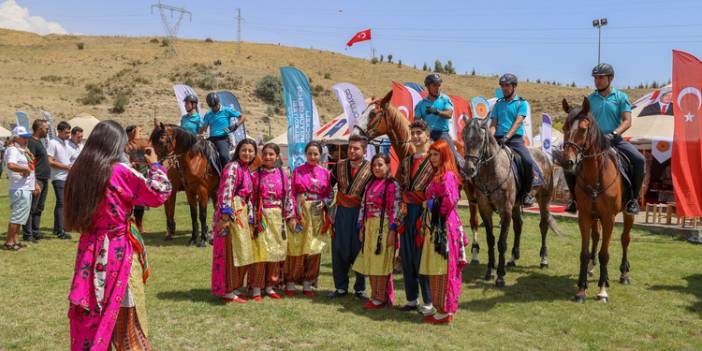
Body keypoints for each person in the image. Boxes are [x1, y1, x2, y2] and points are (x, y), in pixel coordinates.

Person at [66, 120, 171, 351]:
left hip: (89, 250)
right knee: (126, 313)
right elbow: (158, 193)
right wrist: (155, 166)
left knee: (92, 308)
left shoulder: (78, 171)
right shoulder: (118, 171)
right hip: (116, 249)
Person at [565, 63, 645, 215]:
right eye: (595, 77)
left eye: (601, 77)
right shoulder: (589, 99)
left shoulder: (621, 97)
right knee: (568, 164)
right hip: (593, 142)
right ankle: (574, 199)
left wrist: (614, 134)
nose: (597, 80)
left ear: (610, 78)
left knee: (639, 160)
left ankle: (633, 200)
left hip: (615, 140)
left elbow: (627, 121)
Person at [419, 140, 468, 324]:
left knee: (444, 269)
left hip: (444, 228)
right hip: (437, 226)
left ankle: (445, 311)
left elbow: (450, 200)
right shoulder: (438, 174)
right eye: (431, 155)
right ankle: (441, 309)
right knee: (437, 268)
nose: (432, 158)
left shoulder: (447, 175)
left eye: (436, 155)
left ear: (444, 155)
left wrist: (431, 204)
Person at [211, 139, 257, 304]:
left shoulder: (245, 169)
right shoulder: (233, 167)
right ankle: (227, 289)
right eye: (244, 150)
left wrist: (250, 218)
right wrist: (225, 217)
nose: (247, 153)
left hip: (241, 213)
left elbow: (248, 196)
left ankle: (234, 286)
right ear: (238, 151)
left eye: (251, 151)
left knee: (239, 251)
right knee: (229, 252)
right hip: (230, 214)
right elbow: (226, 190)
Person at [352, 154, 401, 309]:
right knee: (372, 260)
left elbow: (396, 208)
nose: (377, 168)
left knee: (382, 261)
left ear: (388, 166)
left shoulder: (392, 185)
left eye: (380, 165)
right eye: (374, 166)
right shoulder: (369, 184)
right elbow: (363, 206)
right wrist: (361, 226)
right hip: (370, 227)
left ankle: (381, 297)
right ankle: (376, 295)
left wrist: (393, 230)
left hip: (384, 227)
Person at [396, 120, 434, 314]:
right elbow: (400, 186)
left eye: (420, 132)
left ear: (427, 135)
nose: (416, 136)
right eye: (414, 133)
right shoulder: (406, 161)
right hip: (407, 212)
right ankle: (412, 299)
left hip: (425, 213)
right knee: (407, 256)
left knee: (423, 257)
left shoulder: (434, 159)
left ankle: (428, 301)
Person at [249, 143, 296, 301]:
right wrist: (251, 219)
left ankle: (270, 286)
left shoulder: (283, 175)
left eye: (271, 154)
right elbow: (250, 198)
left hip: (278, 218)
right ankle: (256, 288)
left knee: (275, 252)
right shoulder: (255, 175)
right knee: (260, 252)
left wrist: (290, 217)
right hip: (260, 217)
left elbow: (288, 197)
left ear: (277, 157)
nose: (268, 157)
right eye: (265, 154)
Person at [328, 135, 373, 299]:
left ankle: (360, 287)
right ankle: (340, 287)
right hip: (341, 213)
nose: (352, 151)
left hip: (360, 213)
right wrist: (327, 204)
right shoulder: (339, 166)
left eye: (356, 148)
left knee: (359, 248)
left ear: (364, 150)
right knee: (339, 248)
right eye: (350, 148)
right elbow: (328, 186)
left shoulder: (371, 168)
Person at [489, 73, 544, 206]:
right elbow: (493, 125)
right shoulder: (498, 105)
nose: (504, 88)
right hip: (498, 139)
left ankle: (527, 193)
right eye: (502, 86)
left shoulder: (521, 103)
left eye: (507, 85)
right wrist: (490, 137)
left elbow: (518, 122)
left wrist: (507, 136)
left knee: (527, 161)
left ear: (514, 86)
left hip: (514, 140)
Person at [286, 141, 333, 297]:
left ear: (320, 155)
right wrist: (292, 215)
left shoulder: (325, 173)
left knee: (314, 248)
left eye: (316, 154)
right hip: (300, 211)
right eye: (310, 153)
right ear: (305, 154)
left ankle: (308, 282)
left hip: (316, 215)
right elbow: (291, 194)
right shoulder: (297, 171)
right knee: (296, 246)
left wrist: (324, 202)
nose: (312, 157)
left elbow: (329, 194)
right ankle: (291, 281)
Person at [414, 73, 465, 173]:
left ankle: (465, 172)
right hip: (427, 135)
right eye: (434, 85)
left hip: (442, 134)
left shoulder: (445, 99)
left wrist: (436, 111)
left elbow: (449, 114)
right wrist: (420, 123)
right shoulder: (421, 104)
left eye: (439, 85)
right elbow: (416, 121)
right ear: (428, 87)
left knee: (455, 156)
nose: (437, 88)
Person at [3, 127, 38, 251]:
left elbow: (29, 168)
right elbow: (11, 165)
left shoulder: (23, 150)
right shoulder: (13, 150)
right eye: (23, 136)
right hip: (19, 188)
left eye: (27, 136)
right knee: (17, 217)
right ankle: (9, 242)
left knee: (20, 217)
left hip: (24, 187)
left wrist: (34, 184)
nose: (26, 139)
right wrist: (24, 169)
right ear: (16, 137)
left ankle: (15, 241)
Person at [23, 119, 50, 242]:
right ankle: (28, 235)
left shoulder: (40, 142)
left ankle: (36, 232)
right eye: (46, 128)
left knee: (39, 207)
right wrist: (33, 182)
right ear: (39, 129)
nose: (48, 130)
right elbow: (30, 162)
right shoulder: (32, 143)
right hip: (37, 179)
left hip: (44, 179)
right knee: (31, 208)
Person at [201, 92, 246, 167]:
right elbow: (204, 129)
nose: (214, 108)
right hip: (211, 138)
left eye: (215, 106)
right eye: (212, 107)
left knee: (224, 156)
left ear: (218, 102)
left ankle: (227, 174)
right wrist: (202, 134)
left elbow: (243, 117)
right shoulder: (208, 114)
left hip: (223, 139)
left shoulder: (227, 110)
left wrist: (235, 125)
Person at [46, 121, 73, 240]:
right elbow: (50, 161)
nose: (68, 135)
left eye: (69, 132)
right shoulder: (53, 143)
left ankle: (58, 228)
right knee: (61, 203)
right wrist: (66, 167)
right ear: (59, 131)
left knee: (63, 203)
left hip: (66, 177)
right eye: (66, 132)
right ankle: (60, 231)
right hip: (58, 177)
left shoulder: (65, 143)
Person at [125, 125, 148, 233]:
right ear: (129, 134)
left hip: (141, 175)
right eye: (134, 133)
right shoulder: (126, 144)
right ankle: (127, 225)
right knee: (127, 202)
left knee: (140, 202)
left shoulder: (140, 143)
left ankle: (139, 224)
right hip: (128, 177)